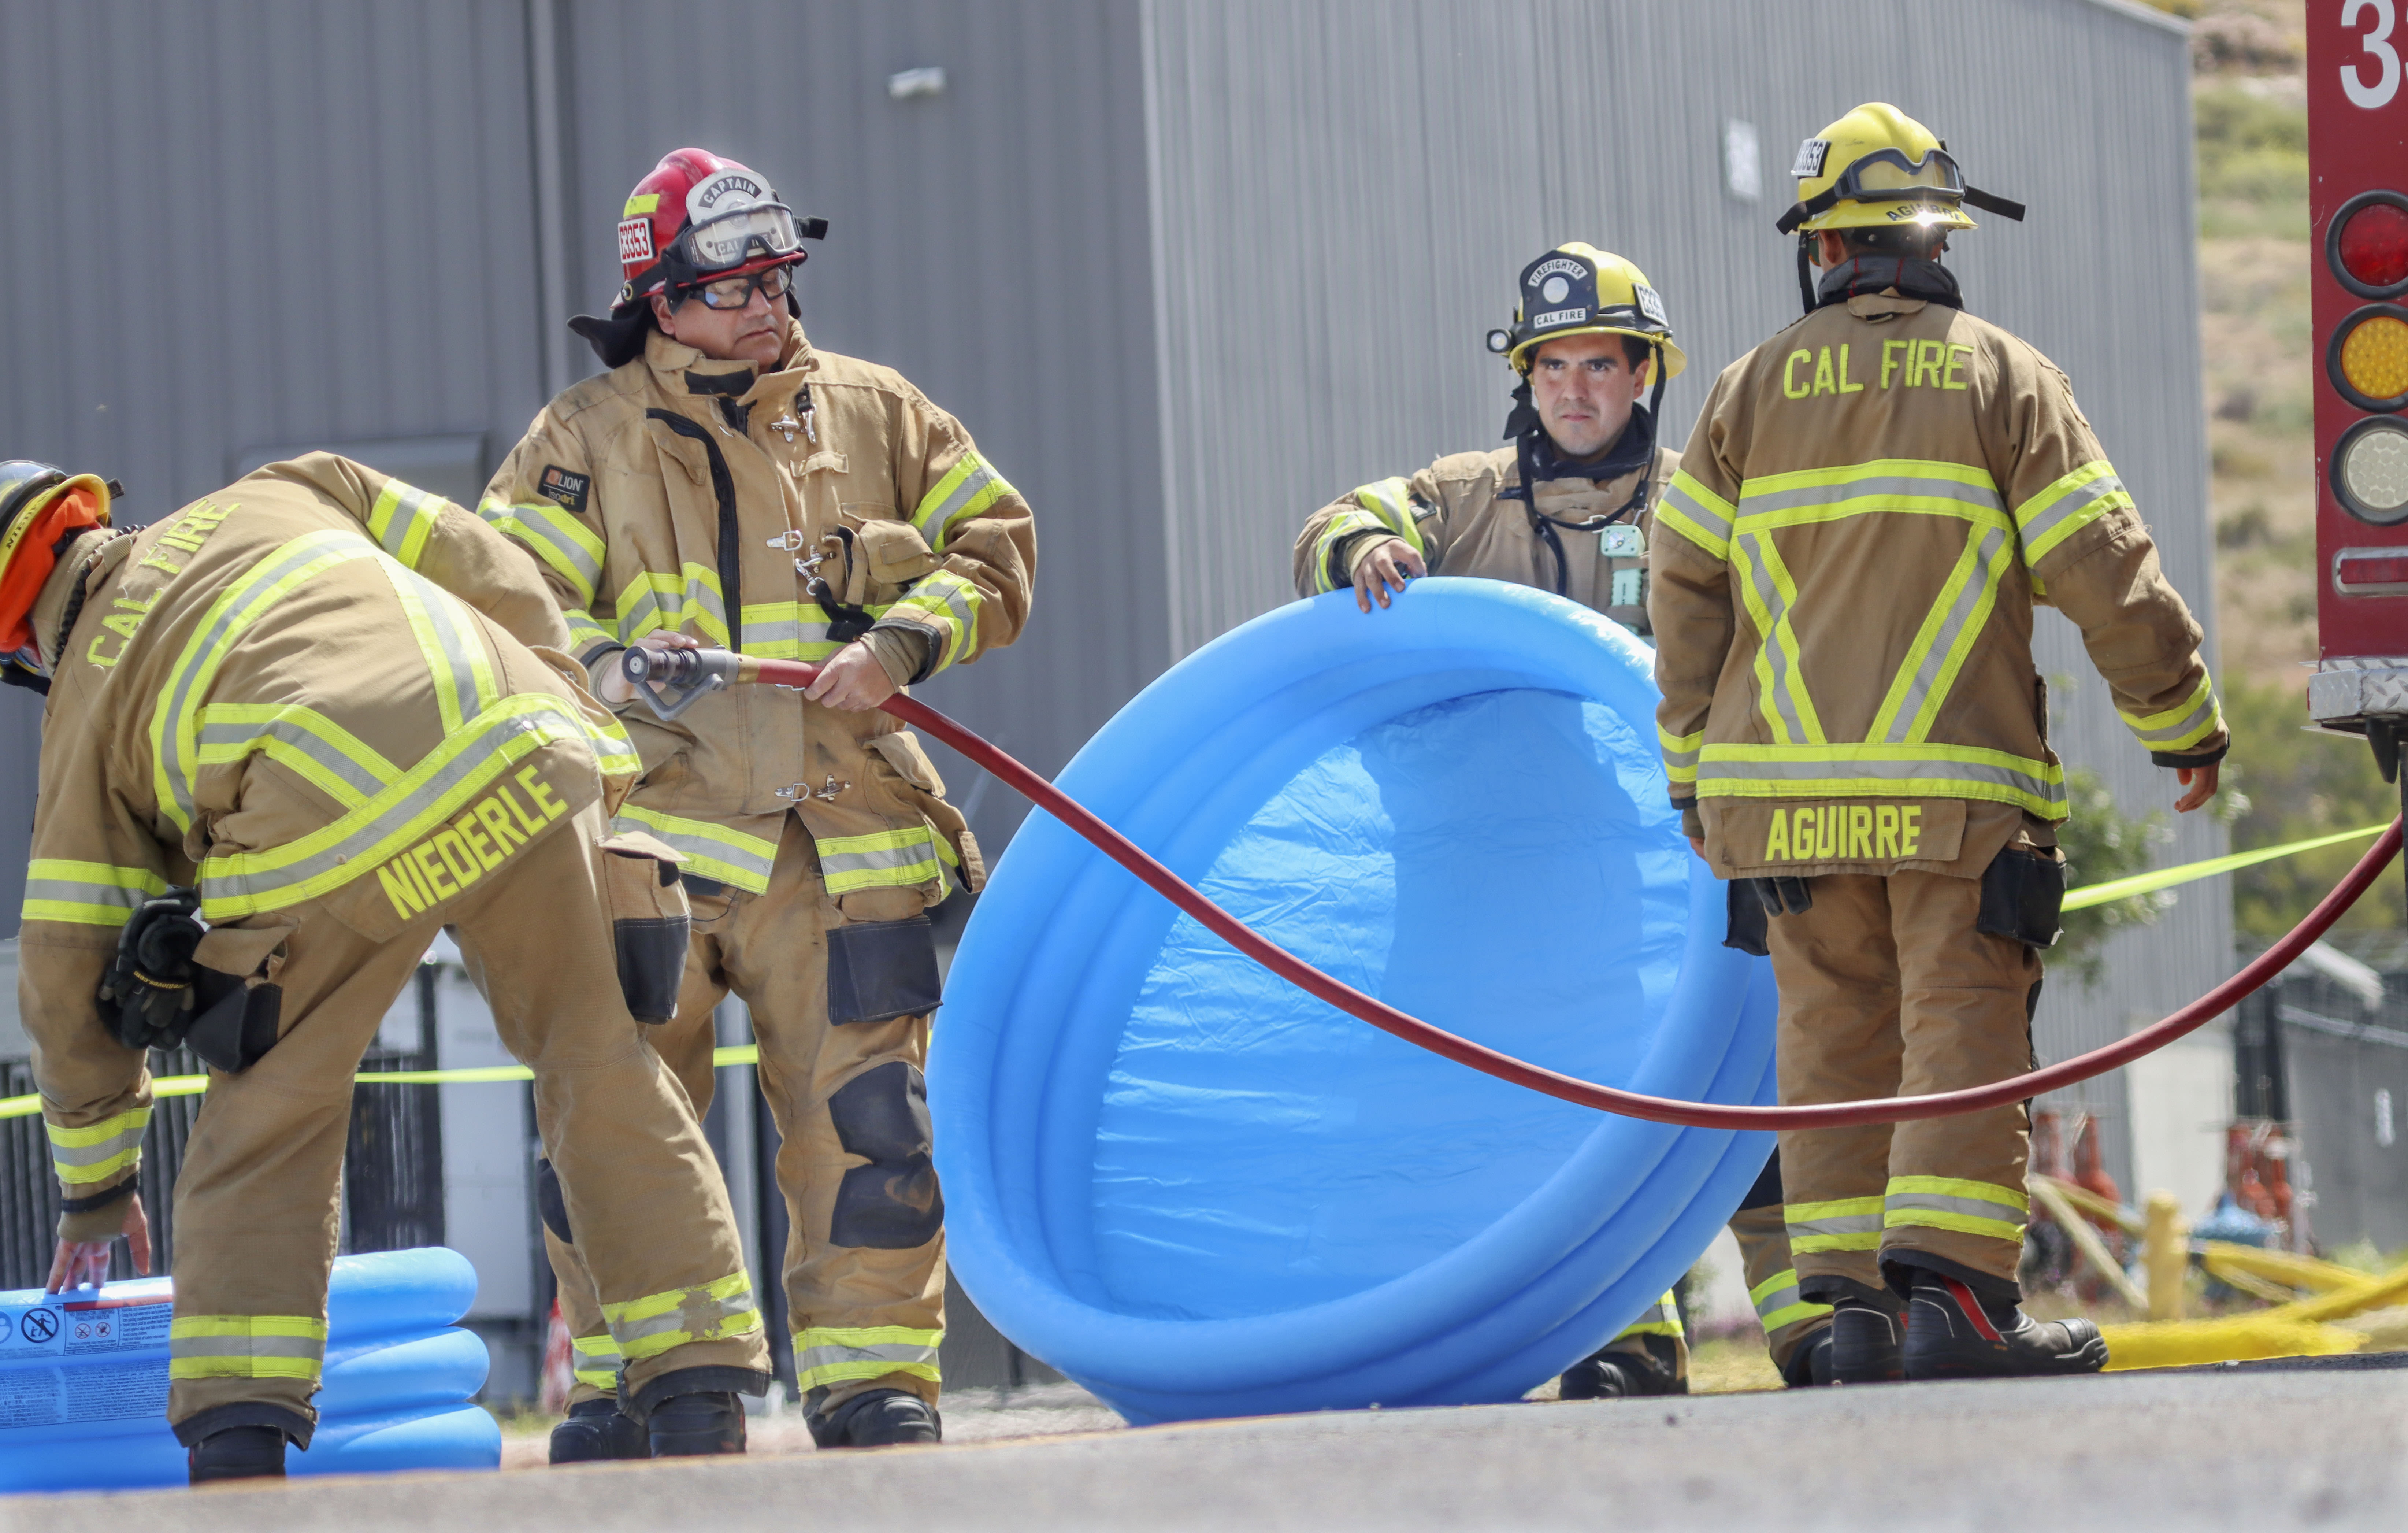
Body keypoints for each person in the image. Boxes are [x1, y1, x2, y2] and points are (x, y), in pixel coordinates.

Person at [5, 453, 773, 1482]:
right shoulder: (284, 486)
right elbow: (488, 562)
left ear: (17, 638)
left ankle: (240, 1440)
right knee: (600, 1060)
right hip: (518, 745)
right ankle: (698, 1388)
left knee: (270, 1109)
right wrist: (584, 726)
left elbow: (66, 963)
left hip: (324, 827)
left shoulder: (86, 694)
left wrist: (97, 1187)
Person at [1650, 103, 2227, 1383]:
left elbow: (1681, 592)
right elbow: (2105, 571)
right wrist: (2179, 718)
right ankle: (1959, 1302)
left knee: (1830, 1040)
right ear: (1937, 236)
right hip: (1955, 801)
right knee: (1960, 1021)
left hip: (1781, 811)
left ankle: (1853, 1312)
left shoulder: (1743, 394)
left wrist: (1692, 772)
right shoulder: (2005, 377)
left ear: (1824, 249)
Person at [482, 148, 1035, 1458]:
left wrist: (900, 643)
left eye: (778, 277)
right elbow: (506, 607)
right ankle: (642, 1379)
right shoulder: (582, 441)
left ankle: (874, 1384)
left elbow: (998, 548)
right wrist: (609, 661)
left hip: (848, 842)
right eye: (732, 285)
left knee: (869, 1131)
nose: (767, 305)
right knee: (613, 1117)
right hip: (648, 844)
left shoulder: (879, 411)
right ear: (661, 302)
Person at [1293, 244, 1833, 1396]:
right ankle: (1626, 1337)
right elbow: (1338, 521)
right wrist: (1364, 548)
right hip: (1521, 888)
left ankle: (1811, 1323)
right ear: (1525, 377)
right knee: (1585, 1114)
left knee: (1745, 1088)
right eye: (1553, 366)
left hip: (1690, 864)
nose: (1574, 389)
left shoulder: (1703, 498)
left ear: (1645, 375)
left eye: (1601, 363)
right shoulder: (1461, 498)